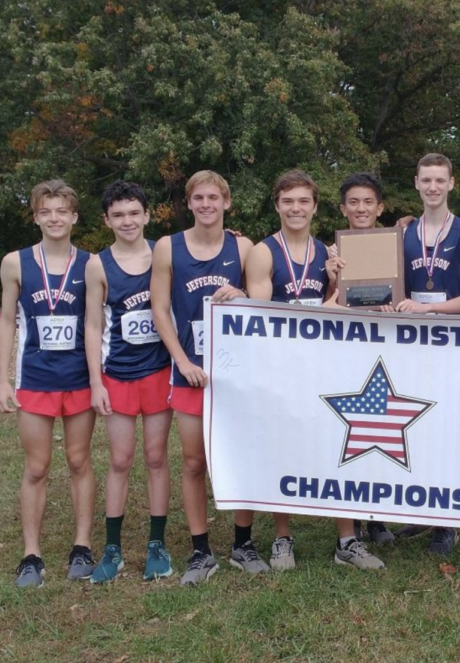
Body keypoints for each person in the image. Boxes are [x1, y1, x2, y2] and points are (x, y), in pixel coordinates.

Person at [245, 169, 385, 571]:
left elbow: (335, 307)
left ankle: (347, 540)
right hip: (279, 365)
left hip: (322, 363)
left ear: (315, 207)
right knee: (282, 446)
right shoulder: (263, 252)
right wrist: (319, 310)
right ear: (277, 205)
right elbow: (261, 314)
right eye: (288, 201)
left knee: (340, 445)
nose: (296, 208)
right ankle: (282, 538)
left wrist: (330, 286)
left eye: (303, 201)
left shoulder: (328, 252)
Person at [151, 170, 263, 585]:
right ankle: (201, 551)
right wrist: (180, 360)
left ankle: (243, 543)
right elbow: (160, 310)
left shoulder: (243, 246)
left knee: (240, 458)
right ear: (189, 202)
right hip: (191, 371)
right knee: (195, 461)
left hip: (234, 373)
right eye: (198, 198)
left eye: (213, 197)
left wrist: (244, 295)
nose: (206, 204)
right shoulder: (168, 247)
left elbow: (262, 298)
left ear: (226, 202)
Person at [0, 179, 96, 588]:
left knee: (78, 461)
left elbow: (95, 322)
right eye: (45, 211)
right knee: (36, 467)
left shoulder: (91, 263)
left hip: (79, 380)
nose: (54, 218)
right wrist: (3, 379)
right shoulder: (15, 262)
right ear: (36, 217)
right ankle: (31, 554)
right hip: (35, 379)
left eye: (61, 211)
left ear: (74, 216)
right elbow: (6, 321)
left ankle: (82, 545)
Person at [84, 181, 174, 583]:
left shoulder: (163, 253)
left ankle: (157, 544)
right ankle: (113, 548)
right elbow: (92, 324)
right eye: (118, 215)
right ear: (106, 220)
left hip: (157, 371)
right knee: (120, 460)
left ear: (147, 215)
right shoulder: (97, 264)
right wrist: (95, 383)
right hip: (117, 375)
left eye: (134, 213)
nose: (127, 221)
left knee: (156, 458)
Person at [394, 153, 460, 555]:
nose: (432, 187)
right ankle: (422, 510)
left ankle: (447, 523)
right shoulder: (403, 231)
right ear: (416, 182)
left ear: (451, 183)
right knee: (416, 426)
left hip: (449, 341)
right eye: (426, 180)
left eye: (439, 180)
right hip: (412, 344)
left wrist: (426, 308)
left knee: (446, 428)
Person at [325, 171, 396, 546]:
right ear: (343, 208)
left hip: (386, 348)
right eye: (353, 202)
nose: (361, 208)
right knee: (352, 436)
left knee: (382, 434)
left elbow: (402, 295)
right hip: (349, 349)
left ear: (380, 207)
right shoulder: (332, 252)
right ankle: (351, 517)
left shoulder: (396, 244)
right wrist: (334, 281)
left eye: (369, 201)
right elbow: (327, 306)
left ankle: (378, 518)